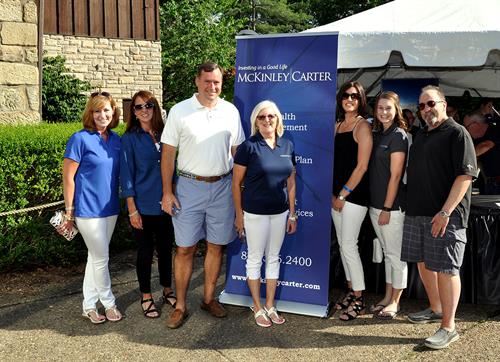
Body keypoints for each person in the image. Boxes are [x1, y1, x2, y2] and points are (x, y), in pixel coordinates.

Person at [160, 62, 245, 329]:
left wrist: (244, 189)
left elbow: (236, 153)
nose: (212, 87)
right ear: (197, 81)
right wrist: (167, 192)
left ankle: (209, 298)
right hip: (188, 187)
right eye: (207, 81)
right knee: (185, 248)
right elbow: (168, 154)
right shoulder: (180, 111)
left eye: (217, 82)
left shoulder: (230, 111)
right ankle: (181, 305)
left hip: (223, 187)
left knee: (216, 246)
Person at [402, 85, 477, 349]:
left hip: (446, 215)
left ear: (443, 104)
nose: (426, 110)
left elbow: (465, 176)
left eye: (431, 103)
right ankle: (435, 308)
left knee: (446, 269)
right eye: (422, 106)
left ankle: (449, 327)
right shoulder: (421, 135)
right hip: (417, 212)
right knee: (423, 263)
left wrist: (445, 212)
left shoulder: (458, 133)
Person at [232, 100, 297, 328]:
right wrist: (239, 216)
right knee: (254, 258)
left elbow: (291, 181)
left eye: (271, 116)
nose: (267, 120)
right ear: (255, 121)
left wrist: (292, 214)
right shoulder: (248, 147)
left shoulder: (287, 145)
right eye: (262, 117)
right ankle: (257, 307)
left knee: (273, 258)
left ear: (278, 118)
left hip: (280, 213)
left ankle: (270, 305)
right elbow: (236, 183)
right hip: (254, 213)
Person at [60, 92, 122, 324]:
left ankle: (88, 305)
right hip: (87, 210)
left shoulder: (117, 140)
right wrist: (69, 210)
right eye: (97, 110)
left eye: (106, 110)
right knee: (101, 258)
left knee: (94, 257)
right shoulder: (79, 139)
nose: (102, 115)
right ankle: (108, 303)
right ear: (90, 113)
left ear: (113, 112)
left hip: (111, 209)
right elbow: (68, 177)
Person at [120, 90, 176, 318]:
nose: (144, 110)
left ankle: (167, 288)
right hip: (141, 205)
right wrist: (132, 209)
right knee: (145, 252)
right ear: (133, 112)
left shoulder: (166, 134)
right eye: (139, 107)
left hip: (166, 202)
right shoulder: (129, 138)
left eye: (148, 105)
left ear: (156, 108)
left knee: (165, 249)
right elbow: (126, 175)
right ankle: (146, 295)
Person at [331, 81, 373, 321]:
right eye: (346, 95)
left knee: (349, 246)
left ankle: (359, 298)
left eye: (354, 96)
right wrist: (333, 195)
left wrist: (343, 194)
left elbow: (362, 166)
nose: (349, 99)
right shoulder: (337, 125)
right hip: (336, 196)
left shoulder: (362, 127)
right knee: (343, 245)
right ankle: (350, 290)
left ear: (361, 100)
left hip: (353, 197)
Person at [368, 91, 409, 319]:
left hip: (390, 208)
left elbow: (395, 176)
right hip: (375, 205)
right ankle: (386, 296)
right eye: (380, 108)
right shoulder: (378, 134)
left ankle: (395, 301)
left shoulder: (398, 136)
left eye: (388, 108)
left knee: (395, 255)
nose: (384, 112)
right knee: (387, 253)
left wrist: (386, 208)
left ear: (396, 111)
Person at [463, 112, 500, 194]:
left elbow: (486, 145)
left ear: (475, 124)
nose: (466, 131)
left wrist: (464, 158)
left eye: (467, 127)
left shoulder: (495, 130)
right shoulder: (478, 139)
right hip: (491, 183)